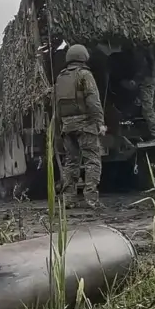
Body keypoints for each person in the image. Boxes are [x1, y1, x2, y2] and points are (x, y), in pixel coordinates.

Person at [55, 44, 106, 209]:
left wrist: (60, 126)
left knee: (71, 163)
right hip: (85, 125)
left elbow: (57, 105)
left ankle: (68, 200)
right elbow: (93, 100)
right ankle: (91, 199)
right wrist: (100, 122)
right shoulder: (85, 75)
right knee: (92, 160)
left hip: (67, 126)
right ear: (84, 57)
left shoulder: (61, 77)